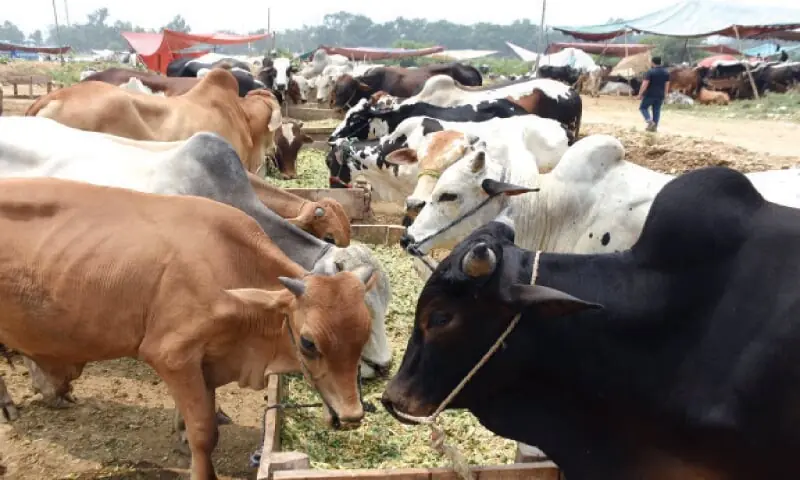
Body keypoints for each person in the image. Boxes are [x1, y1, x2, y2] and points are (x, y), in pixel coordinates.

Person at [638, 56, 670, 133]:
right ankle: (654, 128)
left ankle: (650, 121)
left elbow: (645, 84)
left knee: (643, 108)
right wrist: (666, 95)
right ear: (660, 62)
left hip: (650, 94)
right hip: (660, 95)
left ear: (652, 62)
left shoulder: (650, 72)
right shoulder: (666, 72)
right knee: (656, 110)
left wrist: (640, 93)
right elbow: (667, 84)